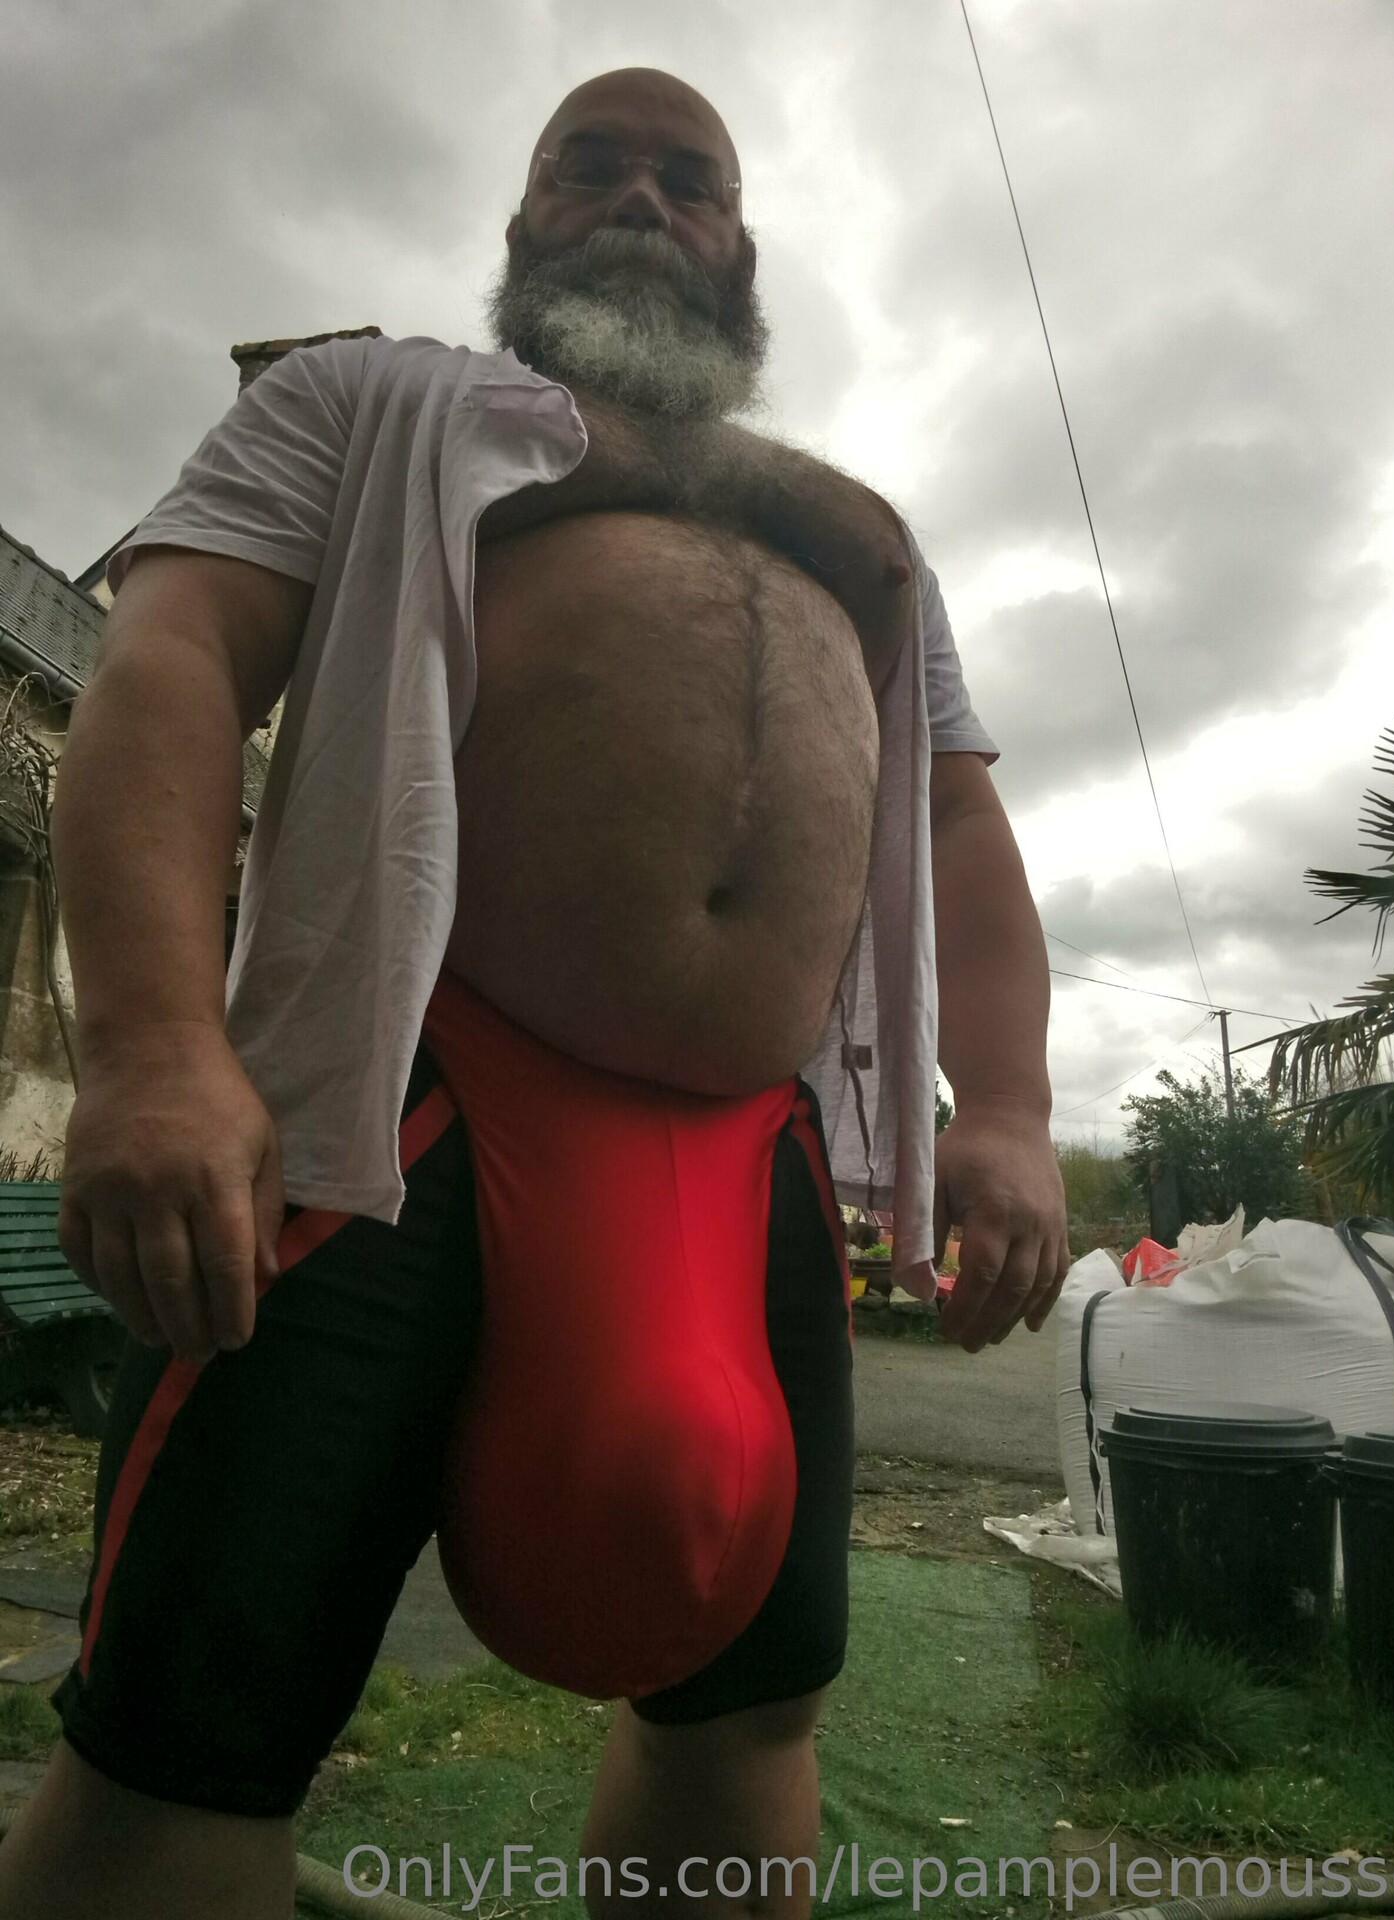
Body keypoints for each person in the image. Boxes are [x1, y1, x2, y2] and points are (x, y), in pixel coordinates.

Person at [0, 66, 1069, 1920]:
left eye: (689, 178)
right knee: (185, 1740)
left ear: (742, 247)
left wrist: (1019, 1111)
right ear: (521, 222)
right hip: (391, 1108)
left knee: (747, 1715)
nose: (641, 198)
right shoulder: (365, 404)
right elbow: (169, 662)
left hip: (751, 1159)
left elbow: (960, 826)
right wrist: (157, 1046)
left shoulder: (863, 533)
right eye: (593, 166)